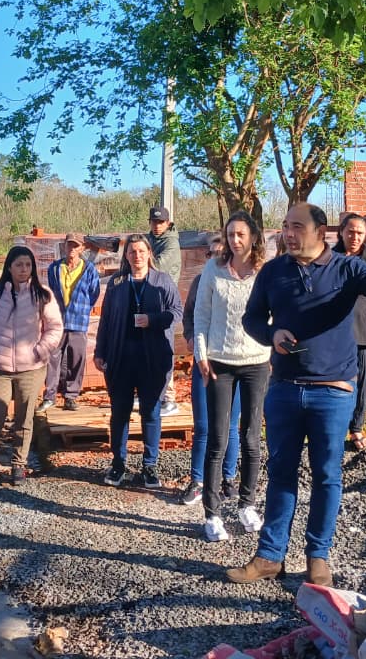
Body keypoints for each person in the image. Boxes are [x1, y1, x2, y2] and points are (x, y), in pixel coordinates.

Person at [228, 203, 366, 588]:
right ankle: (269, 557)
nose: (288, 233)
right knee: (280, 473)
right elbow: (251, 319)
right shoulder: (274, 272)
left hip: (332, 392)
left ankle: (318, 558)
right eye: (285, 226)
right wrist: (271, 336)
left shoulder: (346, 268)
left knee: (327, 476)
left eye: (297, 226)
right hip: (283, 389)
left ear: (321, 231)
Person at [194, 212, 269, 542]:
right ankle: (212, 514)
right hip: (220, 361)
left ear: (252, 236)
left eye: (241, 234)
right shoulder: (214, 268)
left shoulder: (265, 272)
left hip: (257, 361)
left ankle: (247, 505)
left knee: (252, 437)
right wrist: (201, 353)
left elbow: (276, 312)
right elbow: (201, 314)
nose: (235, 241)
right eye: (230, 235)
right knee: (218, 439)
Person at [0, 246, 62, 492]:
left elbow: (55, 328)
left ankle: (19, 464)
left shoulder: (43, 295)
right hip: (0, 367)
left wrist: (39, 351)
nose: (24, 269)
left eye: (28, 265)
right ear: (9, 267)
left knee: (24, 418)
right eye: (19, 265)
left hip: (32, 368)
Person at [94, 234, 183, 490]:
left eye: (141, 251)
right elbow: (106, 320)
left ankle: (150, 466)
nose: (137, 256)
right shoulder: (117, 282)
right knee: (119, 412)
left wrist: (153, 320)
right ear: (127, 256)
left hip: (152, 358)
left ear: (149, 254)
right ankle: (119, 463)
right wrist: (100, 351)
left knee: (151, 411)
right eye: (132, 252)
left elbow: (176, 311)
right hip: (121, 356)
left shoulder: (162, 280)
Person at [178, 233, 240, 513]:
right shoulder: (200, 281)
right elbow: (188, 316)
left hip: (235, 364)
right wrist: (192, 339)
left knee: (231, 426)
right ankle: (198, 481)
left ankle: (228, 479)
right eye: (211, 252)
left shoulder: (240, 283)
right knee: (203, 426)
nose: (216, 256)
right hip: (205, 361)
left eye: (221, 251)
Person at [334, 213, 366, 452]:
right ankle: (333, 428)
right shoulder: (326, 257)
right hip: (332, 330)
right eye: (350, 231)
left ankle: (356, 428)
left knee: (361, 381)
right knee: (332, 381)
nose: (354, 237)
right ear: (341, 232)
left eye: (360, 233)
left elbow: (365, 284)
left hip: (363, 329)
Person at [41, 233, 101, 414]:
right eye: (69, 246)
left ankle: (71, 396)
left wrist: (81, 308)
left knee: (77, 359)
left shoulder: (89, 269)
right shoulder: (54, 268)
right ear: (65, 247)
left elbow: (94, 293)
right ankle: (50, 396)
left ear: (82, 249)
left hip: (78, 321)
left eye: (76, 246)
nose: (72, 249)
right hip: (57, 321)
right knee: (53, 358)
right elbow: (52, 290)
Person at [146, 206, 182, 417]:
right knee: (147, 350)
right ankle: (151, 394)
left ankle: (169, 399)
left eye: (161, 222)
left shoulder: (171, 243)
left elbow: (156, 266)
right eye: (154, 222)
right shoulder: (149, 239)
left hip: (164, 303)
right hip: (149, 300)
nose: (157, 226)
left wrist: (139, 255)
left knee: (164, 350)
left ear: (168, 223)